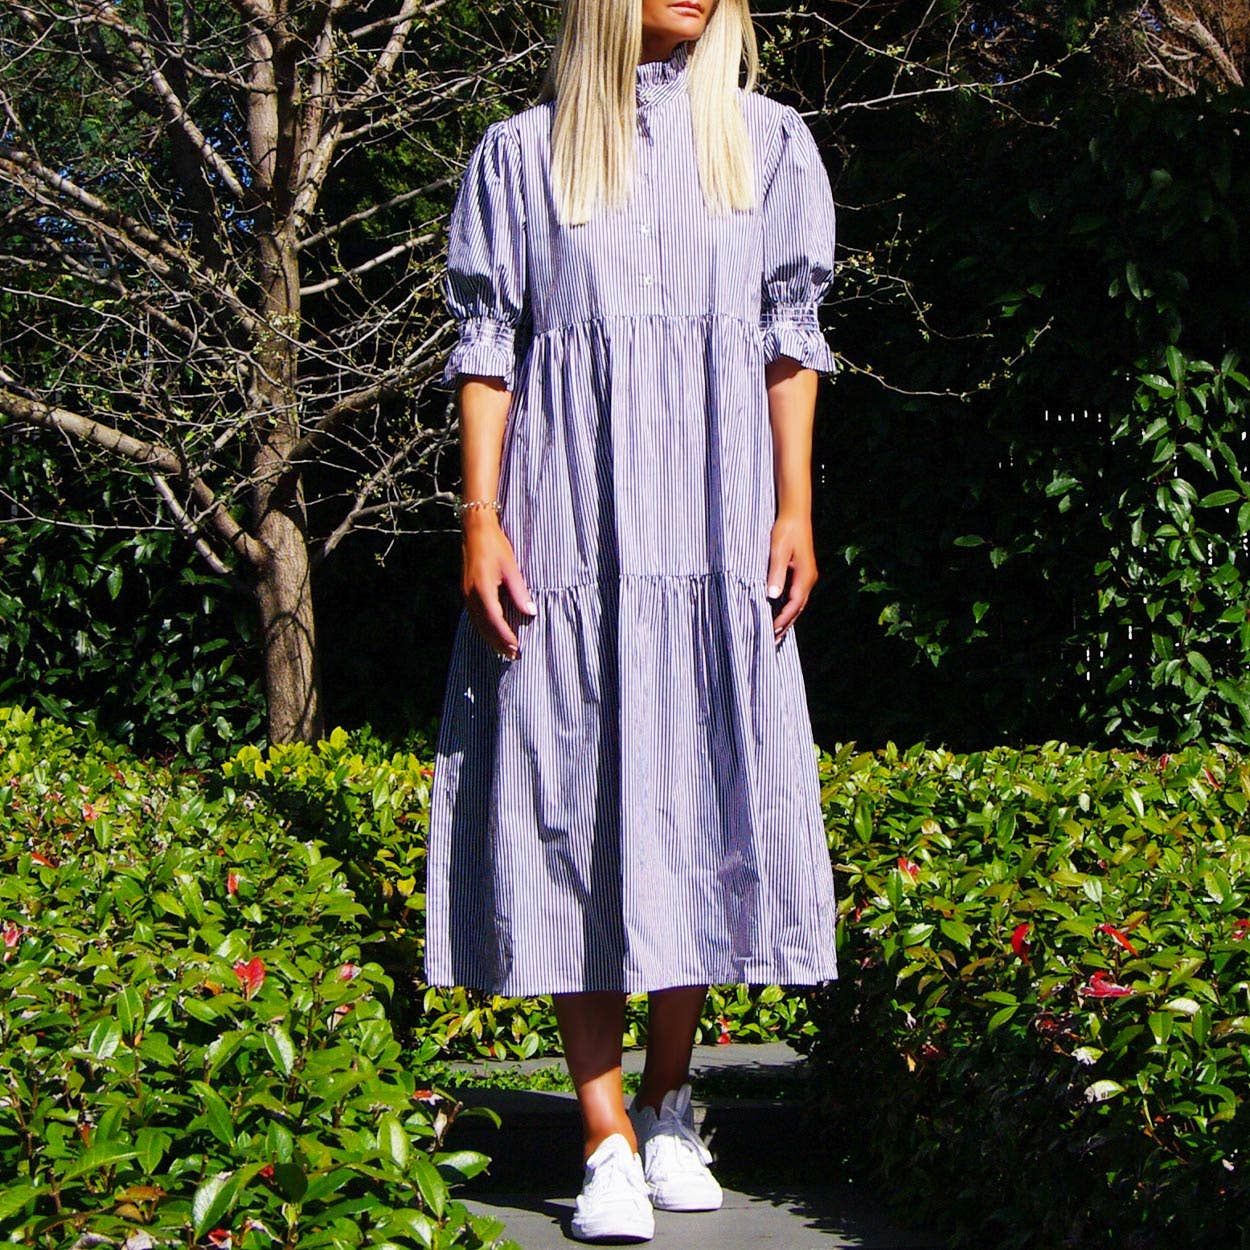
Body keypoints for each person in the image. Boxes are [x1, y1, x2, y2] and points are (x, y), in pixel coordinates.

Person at [426, 0, 840, 1241]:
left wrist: (792, 508)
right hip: (568, 538)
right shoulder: (520, 154)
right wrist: (482, 516)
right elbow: (486, 345)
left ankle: (669, 1102)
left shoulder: (765, 145)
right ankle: (600, 1133)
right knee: (571, 807)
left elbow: (789, 337)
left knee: (699, 798)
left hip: (714, 540)